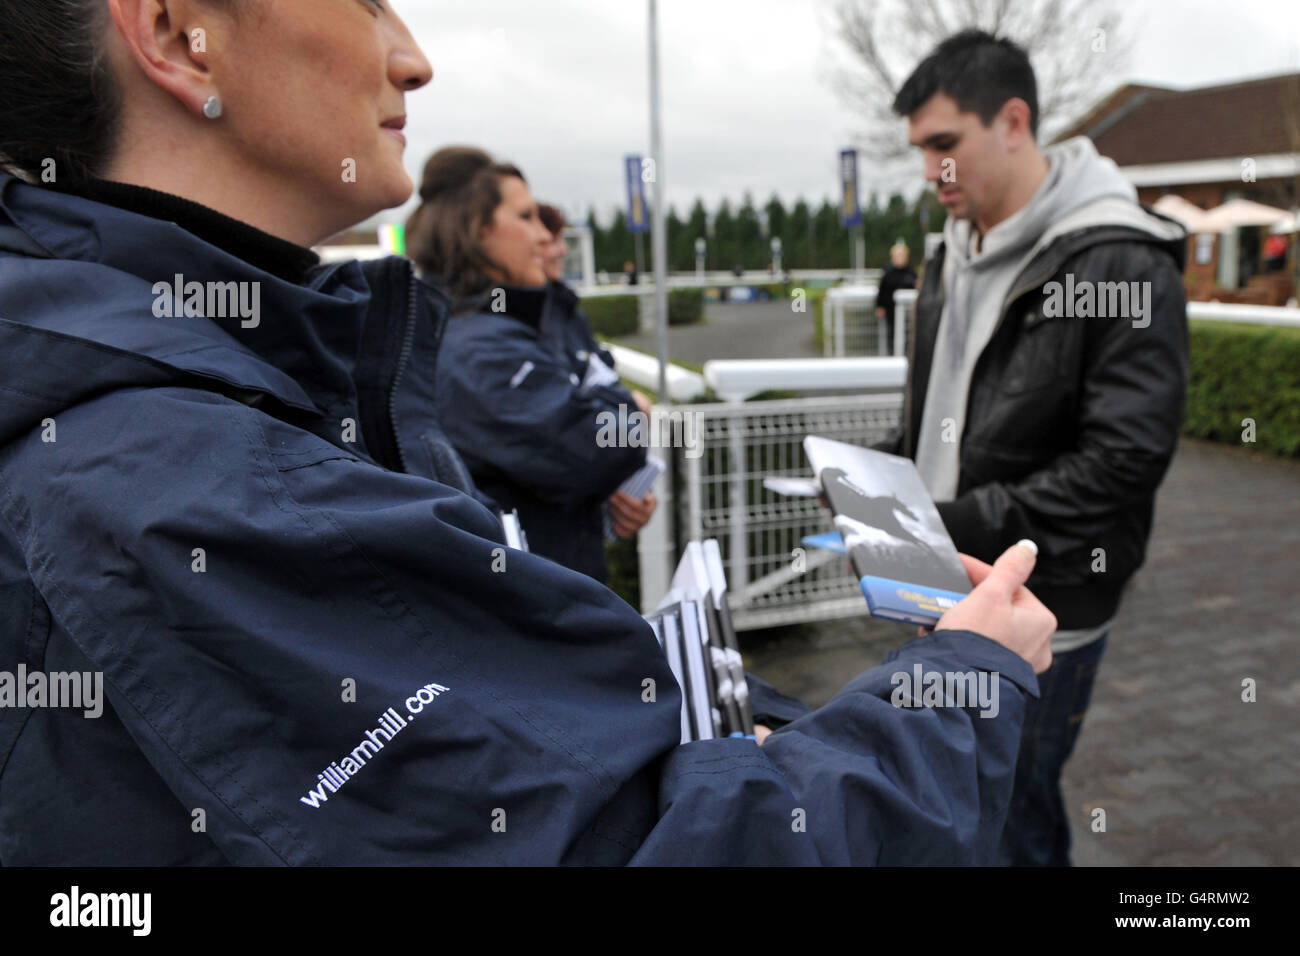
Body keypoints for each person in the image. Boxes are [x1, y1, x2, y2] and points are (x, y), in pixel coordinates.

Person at [0, 0, 1053, 866]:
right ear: (183, 33)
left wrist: (720, 736)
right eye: (366, 1)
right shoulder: (187, 476)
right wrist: (960, 686)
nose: (412, 57)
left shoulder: (206, 402)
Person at [881, 29, 1190, 866]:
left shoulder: (1120, 256)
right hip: (940, 582)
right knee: (952, 801)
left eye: (945, 145)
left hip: (1046, 601)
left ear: (1014, 121)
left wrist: (952, 521)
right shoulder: (952, 253)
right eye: (918, 151)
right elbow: (938, 408)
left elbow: (1124, 460)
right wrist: (880, 491)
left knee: (1011, 811)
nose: (929, 173)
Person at [405, 149, 650, 583]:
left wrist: (608, 495)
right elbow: (602, 447)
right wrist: (626, 408)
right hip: (527, 611)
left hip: (541, 593)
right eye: (526, 217)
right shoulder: (478, 350)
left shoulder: (520, 317)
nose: (544, 236)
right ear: (475, 230)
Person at [536, 202, 657, 544]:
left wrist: (627, 494)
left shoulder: (566, 312)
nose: (562, 249)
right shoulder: (491, 331)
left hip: (578, 544)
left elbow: (610, 396)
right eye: (549, 241)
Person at [875, 240, 918, 353]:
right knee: (893, 334)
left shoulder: (911, 272)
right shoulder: (888, 273)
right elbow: (881, 291)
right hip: (891, 311)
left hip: (909, 313)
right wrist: (879, 306)